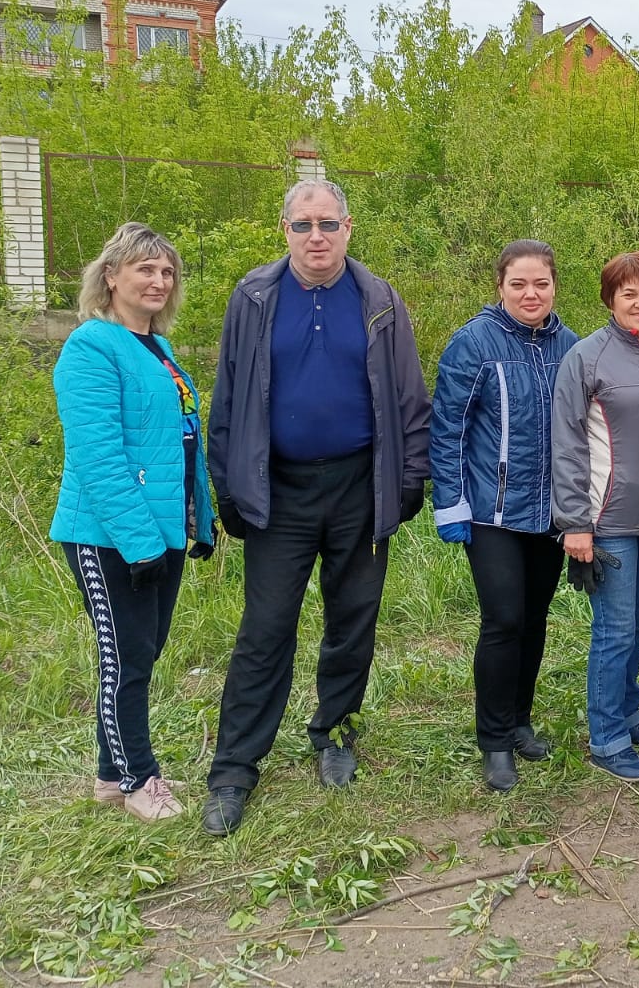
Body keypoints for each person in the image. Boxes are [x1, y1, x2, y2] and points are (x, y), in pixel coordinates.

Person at [202, 180, 432, 836]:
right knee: (266, 626)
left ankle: (334, 732)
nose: (316, 237)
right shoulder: (253, 298)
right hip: (280, 490)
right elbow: (230, 396)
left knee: (352, 617)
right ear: (284, 230)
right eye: (302, 226)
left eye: (327, 224)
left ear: (349, 227)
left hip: (361, 485)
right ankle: (234, 768)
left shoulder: (379, 299)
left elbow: (411, 398)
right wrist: (228, 485)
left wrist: (411, 477)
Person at [50, 222, 214, 823]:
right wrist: (141, 543)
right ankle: (139, 778)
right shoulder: (92, 347)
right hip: (107, 534)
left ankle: (106, 777)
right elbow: (100, 457)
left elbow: (180, 444)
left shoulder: (161, 351)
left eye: (167, 272)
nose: (158, 280)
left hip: (161, 529)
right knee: (125, 659)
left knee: (140, 653)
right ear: (111, 277)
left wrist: (199, 521)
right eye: (145, 268)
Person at [431, 240, 578, 793]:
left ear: (554, 285)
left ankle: (519, 720)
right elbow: (447, 428)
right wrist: (451, 503)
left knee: (535, 618)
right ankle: (493, 740)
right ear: (501, 286)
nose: (530, 293)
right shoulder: (474, 342)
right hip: (491, 511)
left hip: (549, 513)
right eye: (518, 283)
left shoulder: (570, 345)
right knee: (504, 620)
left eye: (540, 283)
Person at [551, 253, 639, 783]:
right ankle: (607, 737)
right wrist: (574, 523)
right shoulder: (586, 358)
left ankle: (630, 715)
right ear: (609, 299)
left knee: (637, 623)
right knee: (613, 629)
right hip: (606, 518)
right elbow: (566, 446)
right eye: (628, 293)